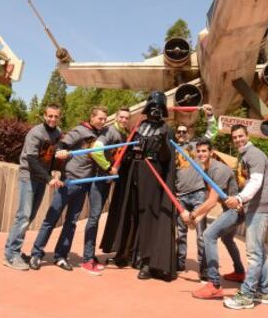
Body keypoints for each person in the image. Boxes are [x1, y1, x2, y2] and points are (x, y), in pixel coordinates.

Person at [101, 91, 176, 281]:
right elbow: (127, 149)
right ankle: (123, 253)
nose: (155, 111)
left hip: (153, 174)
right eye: (152, 107)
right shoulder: (139, 127)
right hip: (133, 172)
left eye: (159, 108)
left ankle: (147, 261)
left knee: (148, 217)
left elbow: (168, 160)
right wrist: (122, 161)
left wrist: (163, 147)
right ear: (147, 109)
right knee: (130, 212)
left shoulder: (166, 130)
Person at [29, 106, 114, 272]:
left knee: (71, 222)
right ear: (92, 117)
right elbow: (62, 143)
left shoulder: (101, 135)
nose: (103, 121)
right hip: (69, 182)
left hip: (84, 184)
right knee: (51, 219)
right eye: (100, 118)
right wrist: (60, 151)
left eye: (105, 119)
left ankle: (61, 256)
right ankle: (36, 254)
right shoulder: (80, 130)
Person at [3, 104, 63, 270]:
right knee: (23, 216)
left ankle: (14, 250)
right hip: (28, 177)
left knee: (29, 216)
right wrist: (48, 177)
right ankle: (10, 255)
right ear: (44, 115)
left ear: (59, 117)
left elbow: (51, 157)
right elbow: (31, 159)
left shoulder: (57, 133)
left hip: (40, 179)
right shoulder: (36, 133)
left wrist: (56, 173)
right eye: (50, 116)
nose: (52, 119)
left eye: (56, 116)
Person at [184, 137, 245, 299]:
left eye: (204, 151)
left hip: (235, 211)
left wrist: (193, 214)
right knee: (227, 239)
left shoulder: (219, 170)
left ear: (211, 152)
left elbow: (211, 201)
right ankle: (239, 272)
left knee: (208, 235)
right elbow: (208, 199)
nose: (201, 154)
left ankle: (214, 284)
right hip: (229, 210)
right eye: (199, 151)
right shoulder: (205, 170)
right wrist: (196, 220)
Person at [223, 124, 268, 309]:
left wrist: (238, 198)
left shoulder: (254, 154)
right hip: (254, 207)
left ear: (247, 135)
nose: (238, 139)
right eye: (235, 137)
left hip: (261, 208)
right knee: (259, 252)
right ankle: (264, 291)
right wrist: (242, 203)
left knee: (253, 253)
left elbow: (255, 182)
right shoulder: (244, 155)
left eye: (240, 136)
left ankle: (247, 295)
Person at [82, 107, 131, 274]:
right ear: (116, 117)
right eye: (121, 117)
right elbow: (96, 151)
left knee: (95, 217)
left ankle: (90, 255)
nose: (124, 120)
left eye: (127, 118)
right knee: (94, 217)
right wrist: (108, 168)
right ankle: (87, 258)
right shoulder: (109, 131)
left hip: (107, 181)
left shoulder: (125, 134)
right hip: (99, 179)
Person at [175, 104, 217, 281]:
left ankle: (204, 268)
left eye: (185, 132)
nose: (183, 134)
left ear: (189, 134)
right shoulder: (171, 148)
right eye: (180, 132)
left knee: (201, 233)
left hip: (198, 193)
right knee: (180, 232)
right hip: (180, 196)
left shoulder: (196, 146)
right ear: (176, 134)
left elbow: (212, 131)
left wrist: (210, 116)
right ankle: (179, 262)